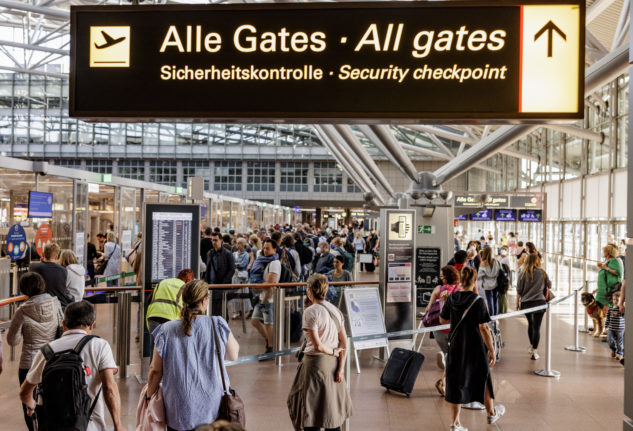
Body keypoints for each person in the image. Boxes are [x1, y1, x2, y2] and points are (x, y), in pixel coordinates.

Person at [19, 300, 126, 431]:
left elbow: (24, 392)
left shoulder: (45, 351)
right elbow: (109, 388)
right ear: (92, 325)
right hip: (89, 426)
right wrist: (118, 425)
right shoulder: (99, 345)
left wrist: (31, 406)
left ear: (64, 325)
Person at [147, 280, 239, 431]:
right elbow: (233, 355)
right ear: (204, 300)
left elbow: (155, 370)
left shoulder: (166, 330)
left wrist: (149, 396)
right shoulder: (217, 323)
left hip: (178, 409)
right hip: (213, 408)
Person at [439, 266, 505, 431]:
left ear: (461, 280)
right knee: (484, 379)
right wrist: (491, 349)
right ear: (475, 280)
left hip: (455, 347)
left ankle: (455, 424)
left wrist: (444, 302)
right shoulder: (478, 301)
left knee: (455, 382)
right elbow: (483, 328)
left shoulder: (452, 298)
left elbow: (442, 320)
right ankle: (491, 413)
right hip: (474, 348)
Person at [288, 274, 352, 431]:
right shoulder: (335, 310)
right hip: (333, 366)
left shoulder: (311, 312)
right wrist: (341, 368)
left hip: (315, 366)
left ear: (309, 290)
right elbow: (344, 342)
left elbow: (318, 346)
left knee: (311, 412)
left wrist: (333, 352)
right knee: (332, 413)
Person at [8, 272, 63, 431]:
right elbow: (61, 329)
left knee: (29, 403)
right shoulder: (56, 303)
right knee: (51, 401)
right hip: (52, 359)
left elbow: (13, 341)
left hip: (29, 363)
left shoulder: (22, 310)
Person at [424, 265, 461, 398]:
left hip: (439, 329)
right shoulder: (459, 290)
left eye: (441, 276)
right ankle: (445, 382)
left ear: (446, 278)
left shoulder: (438, 289)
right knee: (454, 356)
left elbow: (428, 309)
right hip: (454, 328)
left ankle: (446, 381)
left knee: (449, 354)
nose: (440, 279)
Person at [146, 269, 196, 341]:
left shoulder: (162, 282)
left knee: (155, 347)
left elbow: (149, 299)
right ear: (188, 281)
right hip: (170, 320)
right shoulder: (184, 287)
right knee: (170, 348)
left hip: (153, 317)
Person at [516, 253, 547, 360]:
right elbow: (550, 284)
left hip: (527, 303)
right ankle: (535, 350)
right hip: (540, 302)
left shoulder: (522, 273)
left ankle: (531, 345)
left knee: (531, 324)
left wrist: (517, 303)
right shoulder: (542, 272)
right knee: (537, 327)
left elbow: (519, 290)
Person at [251, 239, 280, 355]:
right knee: (254, 321)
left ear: (274, 249)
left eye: (268, 248)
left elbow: (270, 284)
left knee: (268, 323)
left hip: (269, 298)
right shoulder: (265, 261)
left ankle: (271, 347)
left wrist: (256, 286)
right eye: (264, 248)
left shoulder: (274, 263)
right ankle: (269, 340)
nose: (265, 250)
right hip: (262, 297)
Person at [29, 242, 71, 309]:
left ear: (43, 254)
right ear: (57, 256)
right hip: (59, 306)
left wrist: (41, 262)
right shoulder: (63, 270)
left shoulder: (33, 267)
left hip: (40, 306)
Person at [205, 232, 236, 316]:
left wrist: (224, 282)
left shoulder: (227, 254)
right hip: (210, 286)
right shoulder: (210, 253)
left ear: (221, 241)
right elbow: (208, 269)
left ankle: (223, 326)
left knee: (221, 309)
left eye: (216, 240)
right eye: (212, 240)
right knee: (211, 309)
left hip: (221, 286)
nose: (214, 242)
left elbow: (232, 270)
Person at [229, 238, 253, 319]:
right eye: (237, 243)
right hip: (235, 276)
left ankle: (244, 310)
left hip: (242, 276)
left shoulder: (246, 254)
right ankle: (236, 311)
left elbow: (243, 264)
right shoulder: (234, 253)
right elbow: (231, 263)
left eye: (239, 243)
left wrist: (235, 264)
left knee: (243, 293)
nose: (237, 245)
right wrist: (235, 264)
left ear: (243, 244)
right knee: (235, 294)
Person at [597, 244, 623, 312]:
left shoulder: (614, 260)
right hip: (602, 292)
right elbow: (606, 273)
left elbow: (618, 272)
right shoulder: (607, 261)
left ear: (609, 252)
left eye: (605, 251)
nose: (603, 253)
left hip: (608, 292)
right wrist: (602, 267)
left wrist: (606, 268)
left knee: (607, 312)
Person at [478, 246, 500, 316]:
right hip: (496, 283)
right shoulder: (495, 261)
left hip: (487, 285)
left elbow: (480, 276)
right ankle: (495, 316)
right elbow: (498, 272)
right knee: (495, 301)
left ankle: (491, 317)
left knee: (490, 301)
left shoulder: (483, 263)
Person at [606, 289, 625, 361]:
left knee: (619, 342)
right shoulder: (610, 308)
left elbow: (624, 316)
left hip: (620, 328)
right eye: (614, 299)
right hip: (611, 328)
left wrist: (622, 307)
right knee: (609, 340)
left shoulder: (622, 309)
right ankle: (613, 349)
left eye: (617, 300)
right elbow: (608, 318)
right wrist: (606, 327)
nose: (615, 301)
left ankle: (620, 353)